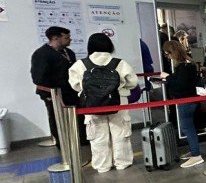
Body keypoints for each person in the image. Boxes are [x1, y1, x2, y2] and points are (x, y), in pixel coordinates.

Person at [68, 33, 138, 173]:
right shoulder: (120, 63)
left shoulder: (81, 65)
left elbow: (75, 85)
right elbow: (133, 82)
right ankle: (122, 163)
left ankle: (102, 166)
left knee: (98, 137)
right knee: (120, 133)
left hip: (91, 104)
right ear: (109, 45)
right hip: (118, 102)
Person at [30, 26, 83, 147]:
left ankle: (80, 140)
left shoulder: (69, 53)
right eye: (66, 37)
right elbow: (38, 78)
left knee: (77, 118)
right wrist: (50, 93)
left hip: (71, 92)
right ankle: (62, 145)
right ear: (55, 38)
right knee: (57, 119)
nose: (70, 39)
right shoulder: (41, 54)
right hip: (53, 94)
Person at [162, 41, 203, 168]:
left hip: (186, 100)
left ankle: (196, 155)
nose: (167, 56)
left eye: (167, 53)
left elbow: (181, 85)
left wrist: (168, 78)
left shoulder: (183, 66)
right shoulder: (188, 64)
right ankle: (194, 152)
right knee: (188, 127)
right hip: (189, 99)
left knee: (187, 127)